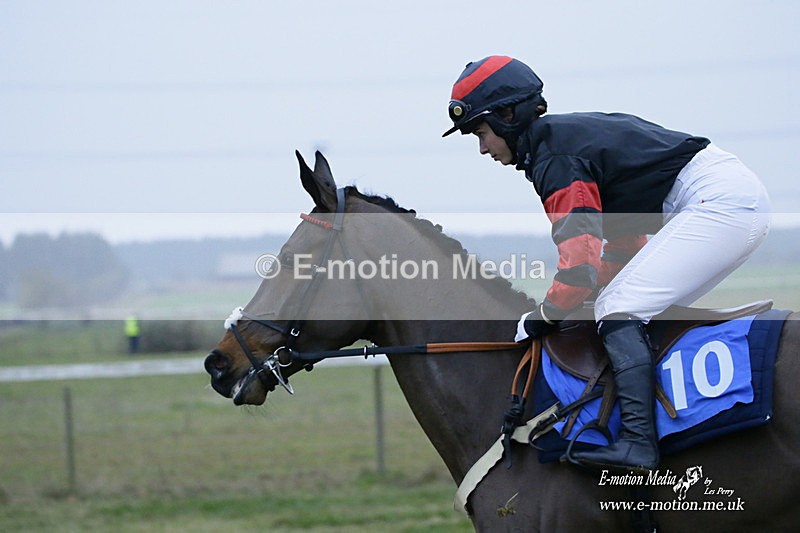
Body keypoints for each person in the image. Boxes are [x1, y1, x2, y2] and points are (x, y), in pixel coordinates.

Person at [443, 55, 770, 473]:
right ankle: (667, 428)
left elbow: (579, 263)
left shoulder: (555, 157)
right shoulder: (564, 141)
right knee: (621, 308)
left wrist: (546, 314)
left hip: (717, 203)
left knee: (617, 310)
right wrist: (583, 300)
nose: (482, 147)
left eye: (481, 132)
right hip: (724, 199)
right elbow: (623, 243)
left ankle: (638, 443)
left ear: (508, 115)